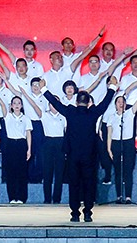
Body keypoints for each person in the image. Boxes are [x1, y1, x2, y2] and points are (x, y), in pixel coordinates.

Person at [44, 76, 118, 222]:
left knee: (74, 184)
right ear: (89, 102)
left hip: (73, 156)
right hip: (89, 156)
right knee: (89, 183)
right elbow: (106, 102)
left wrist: (43, 89)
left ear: (76, 102)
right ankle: (88, 212)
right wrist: (112, 87)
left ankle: (75, 213)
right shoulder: (93, 112)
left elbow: (55, 103)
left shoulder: (70, 111)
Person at [106, 90, 137, 203]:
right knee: (118, 171)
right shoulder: (111, 117)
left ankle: (128, 196)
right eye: (118, 102)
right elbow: (109, 134)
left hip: (128, 144)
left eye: (122, 102)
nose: (121, 103)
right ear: (115, 104)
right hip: (116, 144)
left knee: (128, 171)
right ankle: (119, 196)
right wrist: (109, 149)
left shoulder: (129, 113)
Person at [4, 92, 34, 203]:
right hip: (10, 144)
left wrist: (29, 149)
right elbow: (2, 105)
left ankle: (21, 197)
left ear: (22, 106)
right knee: (11, 172)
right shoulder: (8, 117)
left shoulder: (26, 118)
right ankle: (12, 197)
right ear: (11, 106)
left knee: (22, 172)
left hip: (21, 144)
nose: (17, 105)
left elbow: (28, 134)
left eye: (19, 103)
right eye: (14, 103)